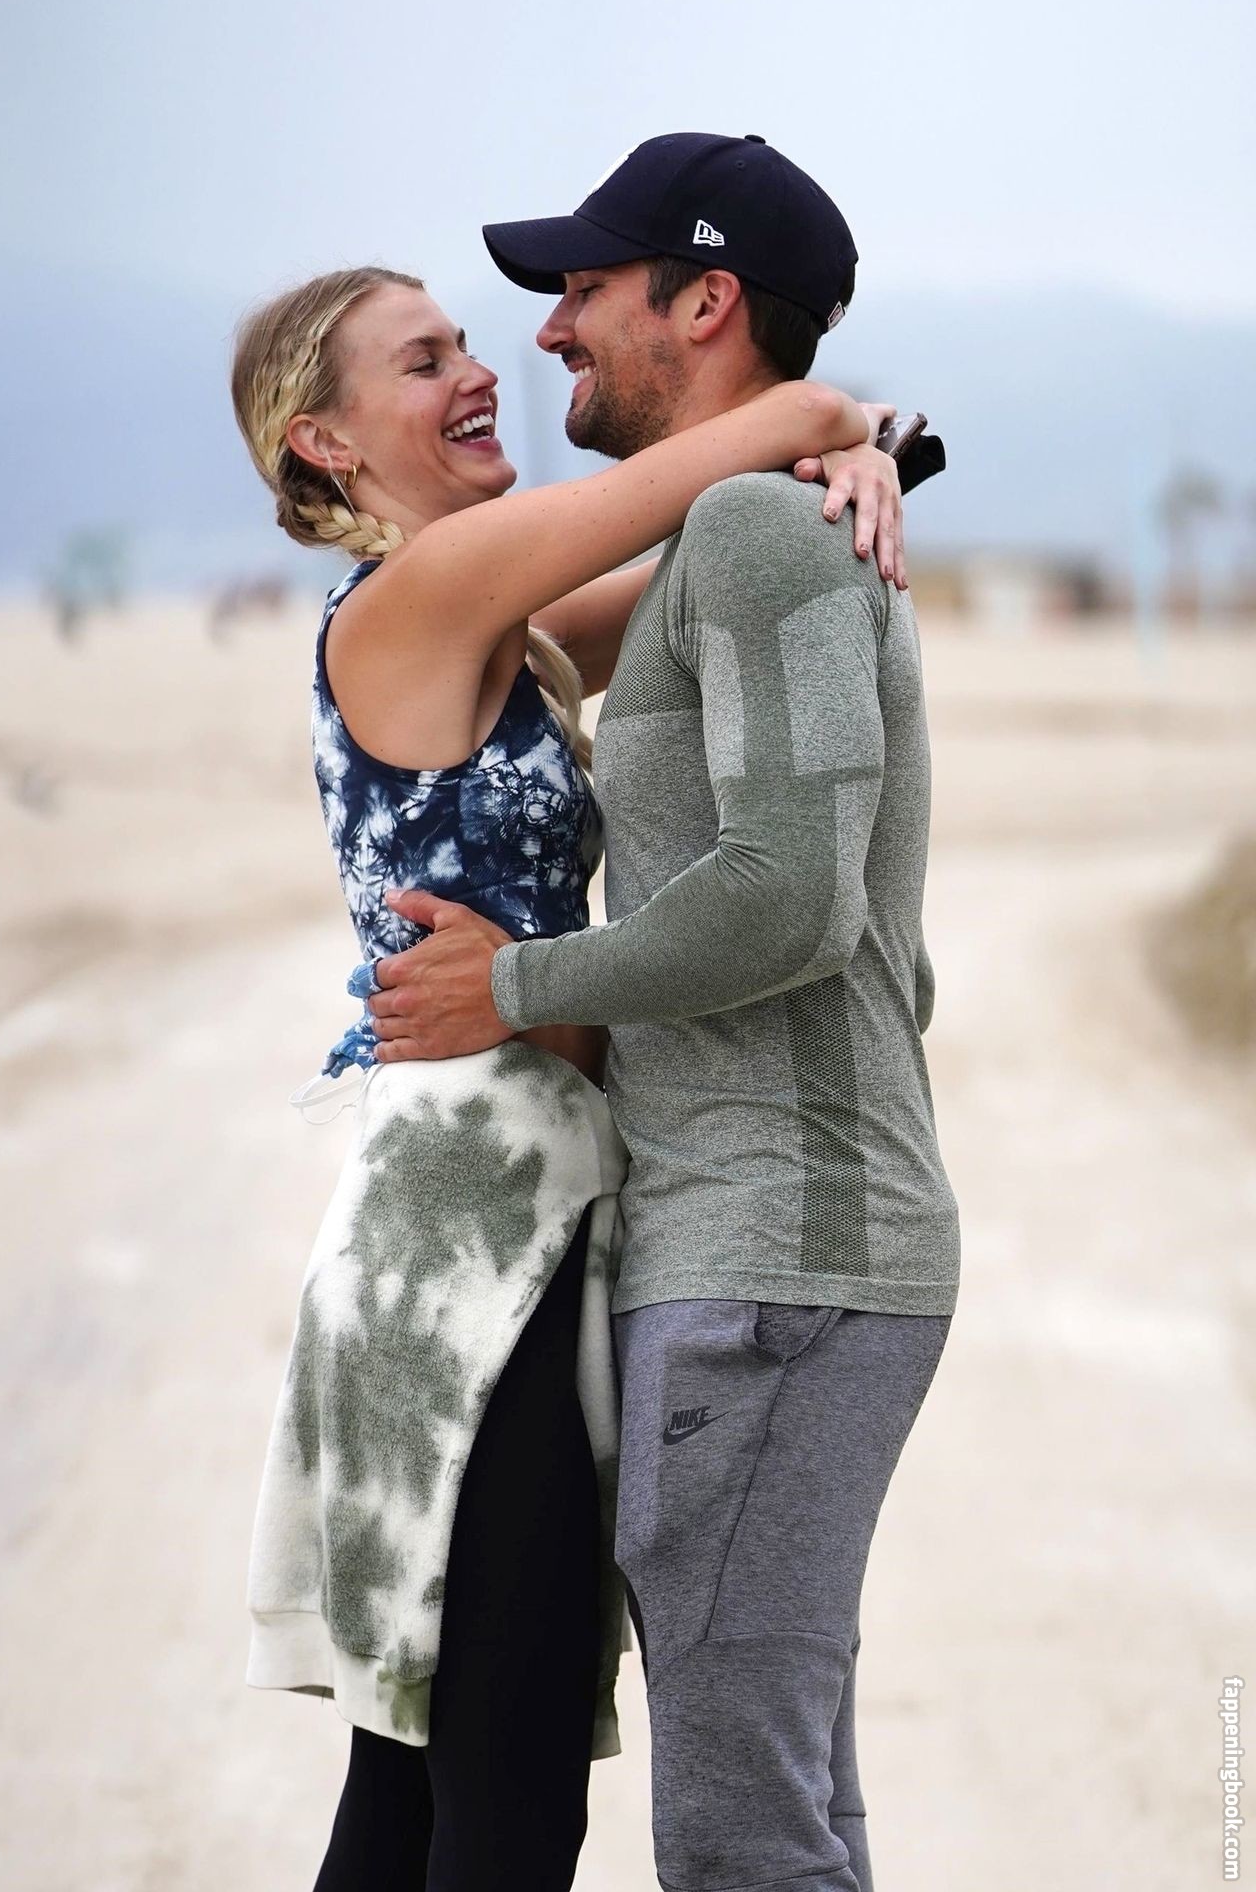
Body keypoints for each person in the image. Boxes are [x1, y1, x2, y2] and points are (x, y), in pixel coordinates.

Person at [230, 247, 907, 1892]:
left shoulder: (500, 629)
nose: (481, 371)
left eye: (465, 342)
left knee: (427, 1790)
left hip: (520, 1213)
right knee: (506, 1788)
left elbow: (704, 560)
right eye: (422, 362)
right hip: (465, 1241)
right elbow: (718, 463)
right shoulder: (421, 598)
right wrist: (826, 420)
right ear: (324, 443)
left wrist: (863, 463)